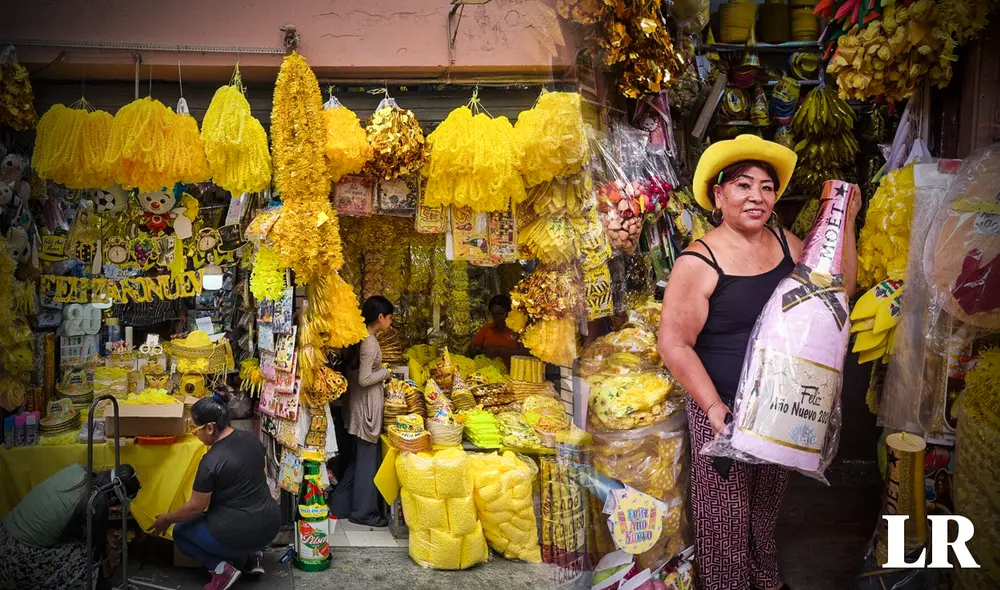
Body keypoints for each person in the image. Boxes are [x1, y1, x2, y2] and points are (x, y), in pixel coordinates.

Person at [657, 135, 859, 590]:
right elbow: (674, 344)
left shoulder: (785, 244)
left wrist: (845, 215)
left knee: (766, 510)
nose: (756, 196)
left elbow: (838, 288)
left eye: (767, 187)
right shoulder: (698, 260)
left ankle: (766, 581)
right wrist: (712, 409)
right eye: (743, 185)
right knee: (726, 520)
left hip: (777, 408)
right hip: (722, 407)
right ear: (718, 194)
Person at [149, 391, 280, 590]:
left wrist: (166, 519)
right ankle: (255, 557)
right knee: (248, 513)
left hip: (236, 532)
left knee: (181, 532)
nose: (194, 434)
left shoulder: (210, 462)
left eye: (195, 429)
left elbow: (195, 507)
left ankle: (221, 570)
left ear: (210, 428)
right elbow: (261, 477)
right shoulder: (252, 439)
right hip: (271, 525)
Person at [1, 463, 140, 590]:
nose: (115, 508)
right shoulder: (93, 504)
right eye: (116, 505)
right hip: (17, 558)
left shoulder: (78, 469)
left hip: (4, 537)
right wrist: (108, 554)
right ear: (114, 499)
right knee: (85, 555)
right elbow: (96, 549)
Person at [329, 296, 394, 527]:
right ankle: (364, 513)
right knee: (367, 462)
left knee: (358, 462)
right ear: (380, 317)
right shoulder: (369, 342)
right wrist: (386, 372)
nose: (391, 322)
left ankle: (340, 506)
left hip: (357, 406)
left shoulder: (360, 339)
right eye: (389, 317)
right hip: (365, 409)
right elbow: (365, 378)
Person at [468, 294, 525, 366]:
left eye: (499, 313)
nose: (495, 317)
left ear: (510, 312)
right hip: (489, 371)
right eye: (493, 314)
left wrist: (500, 351)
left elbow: (526, 354)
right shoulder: (487, 328)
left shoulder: (518, 329)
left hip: (514, 372)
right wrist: (474, 350)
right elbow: (474, 350)